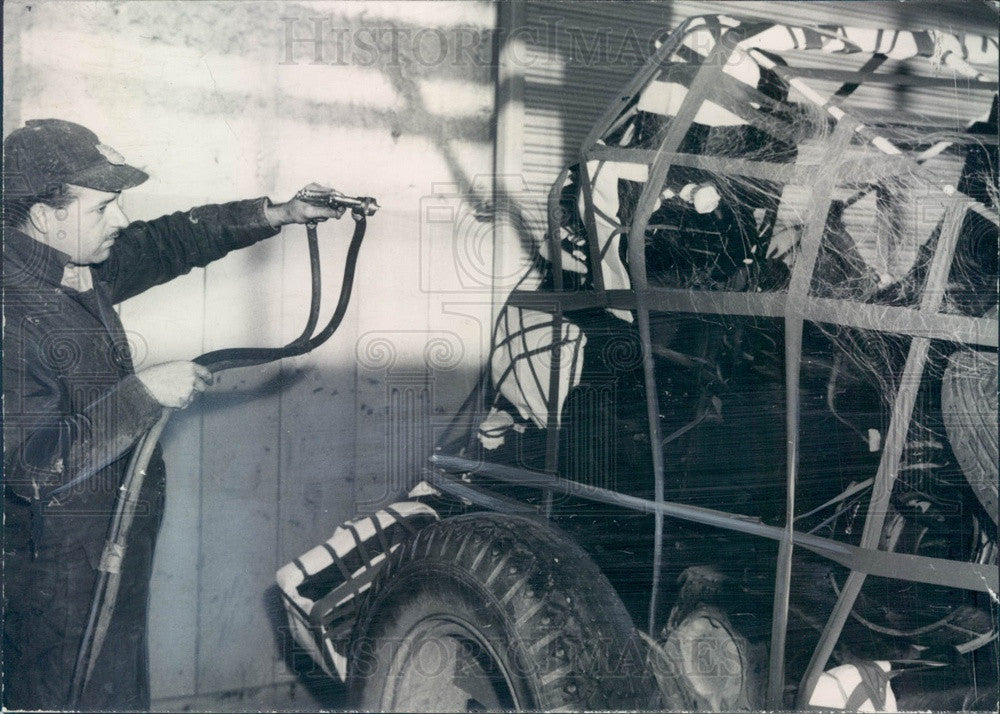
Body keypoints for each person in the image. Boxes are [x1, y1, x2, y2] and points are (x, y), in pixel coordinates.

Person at [2, 118, 345, 710]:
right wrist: (143, 393)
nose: (120, 220)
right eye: (103, 207)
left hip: (107, 547)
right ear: (43, 213)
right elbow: (33, 469)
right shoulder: (13, 308)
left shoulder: (74, 265)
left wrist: (276, 213)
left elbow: (169, 243)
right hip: (55, 580)